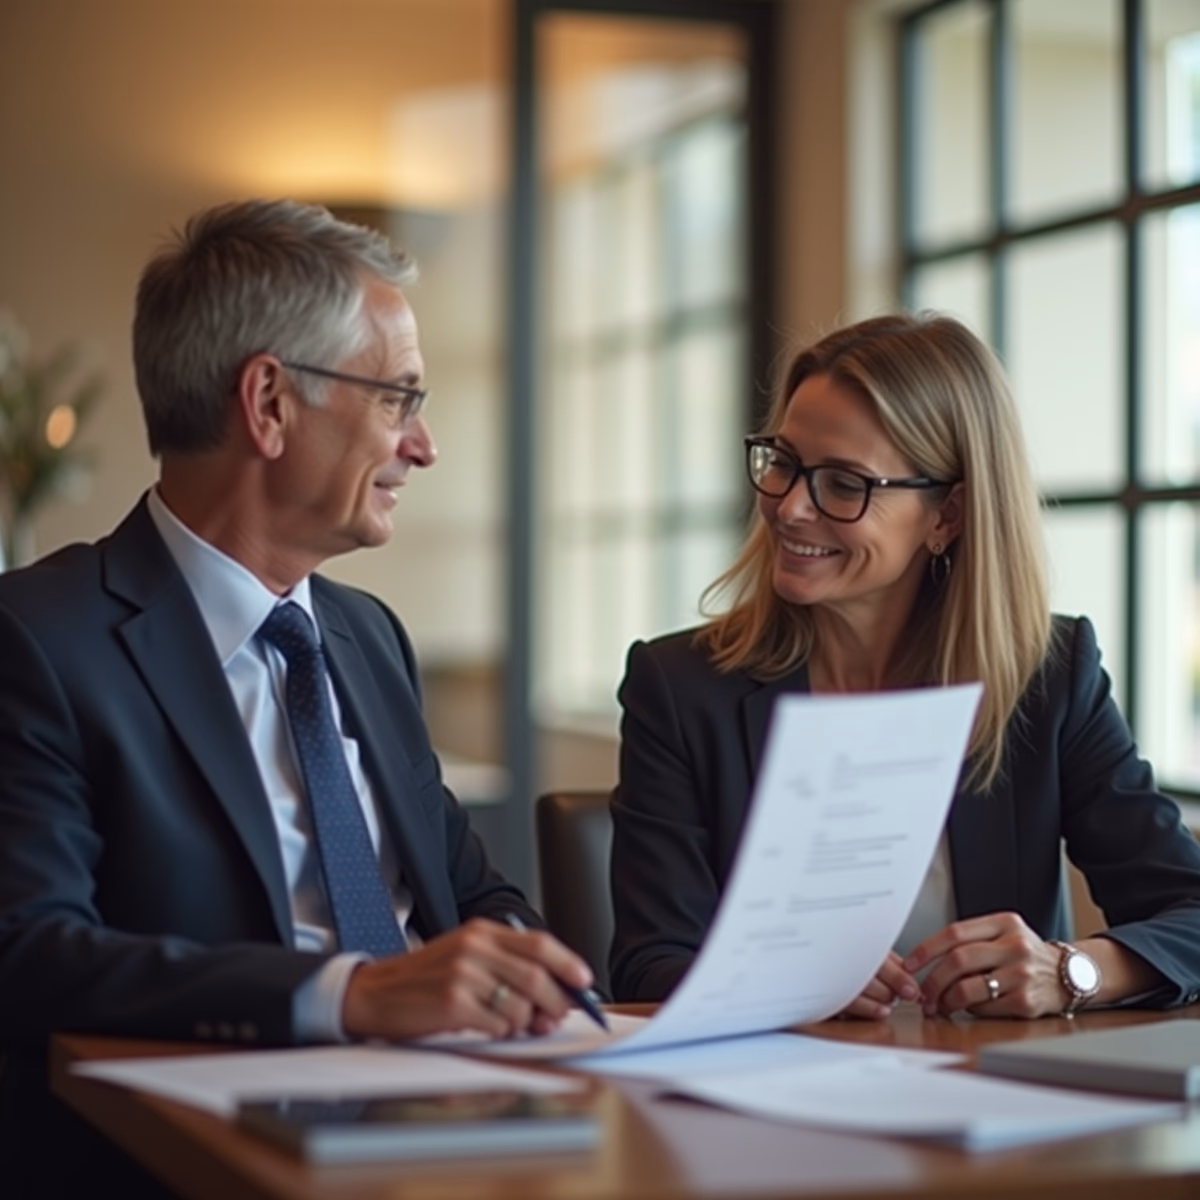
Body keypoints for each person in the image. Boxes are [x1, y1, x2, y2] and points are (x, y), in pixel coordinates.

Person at [0, 199, 592, 1197]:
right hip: (202, 1154)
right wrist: (351, 995)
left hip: (474, 1123)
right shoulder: (39, 640)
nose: (424, 445)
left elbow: (469, 895)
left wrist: (530, 974)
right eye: (399, 399)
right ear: (269, 403)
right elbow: (29, 953)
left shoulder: (368, 637)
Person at [609, 311, 1200, 1022]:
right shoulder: (680, 687)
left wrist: (1068, 970)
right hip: (776, 1098)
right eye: (784, 462)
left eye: (844, 483)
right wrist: (775, 980)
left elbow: (1188, 913)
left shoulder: (1047, 677)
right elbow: (647, 962)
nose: (791, 507)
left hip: (999, 1100)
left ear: (947, 514)